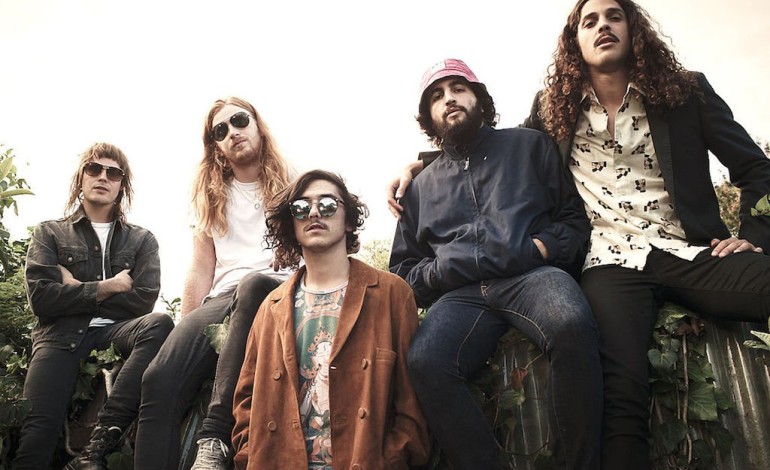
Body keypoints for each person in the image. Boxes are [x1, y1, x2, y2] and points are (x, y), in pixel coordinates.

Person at [389, 3, 770, 468]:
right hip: (608, 264)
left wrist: (754, 235)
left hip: (686, 250)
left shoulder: (685, 93)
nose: (602, 26)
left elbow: (755, 169)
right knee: (619, 394)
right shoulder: (555, 107)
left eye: (613, 16)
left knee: (573, 323)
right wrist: (423, 167)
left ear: (634, 28)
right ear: (575, 42)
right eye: (589, 21)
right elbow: (479, 162)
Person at [389, 58, 602, 469]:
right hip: (461, 296)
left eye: (458, 88)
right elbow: (402, 272)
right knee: (426, 361)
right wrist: (440, 271)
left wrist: (539, 249)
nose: (449, 99)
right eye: (437, 96)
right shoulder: (417, 188)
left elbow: (573, 221)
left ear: (479, 99)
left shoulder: (529, 146)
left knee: (571, 322)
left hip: (531, 276)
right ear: (428, 117)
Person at [231, 170, 430, 469]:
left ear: (348, 220)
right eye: (301, 207)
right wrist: (251, 455)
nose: (313, 212)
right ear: (292, 224)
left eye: (327, 204)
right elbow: (245, 402)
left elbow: (413, 403)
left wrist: (389, 460)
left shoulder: (391, 294)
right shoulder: (271, 307)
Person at [134, 97, 293, 470]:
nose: (232, 132)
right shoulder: (211, 197)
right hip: (223, 298)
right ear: (216, 147)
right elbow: (200, 269)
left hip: (277, 291)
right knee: (158, 379)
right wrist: (187, 329)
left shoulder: (293, 181)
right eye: (220, 130)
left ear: (257, 124)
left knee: (252, 284)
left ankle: (214, 438)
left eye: (239, 120)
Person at [13, 142, 173, 470]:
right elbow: (42, 299)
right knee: (37, 434)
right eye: (94, 169)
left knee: (159, 323)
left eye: (113, 173)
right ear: (81, 178)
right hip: (59, 337)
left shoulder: (142, 240)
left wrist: (74, 290)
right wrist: (107, 288)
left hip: (115, 333)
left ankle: (99, 441)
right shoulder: (50, 233)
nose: (103, 177)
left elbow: (143, 299)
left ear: (122, 185)